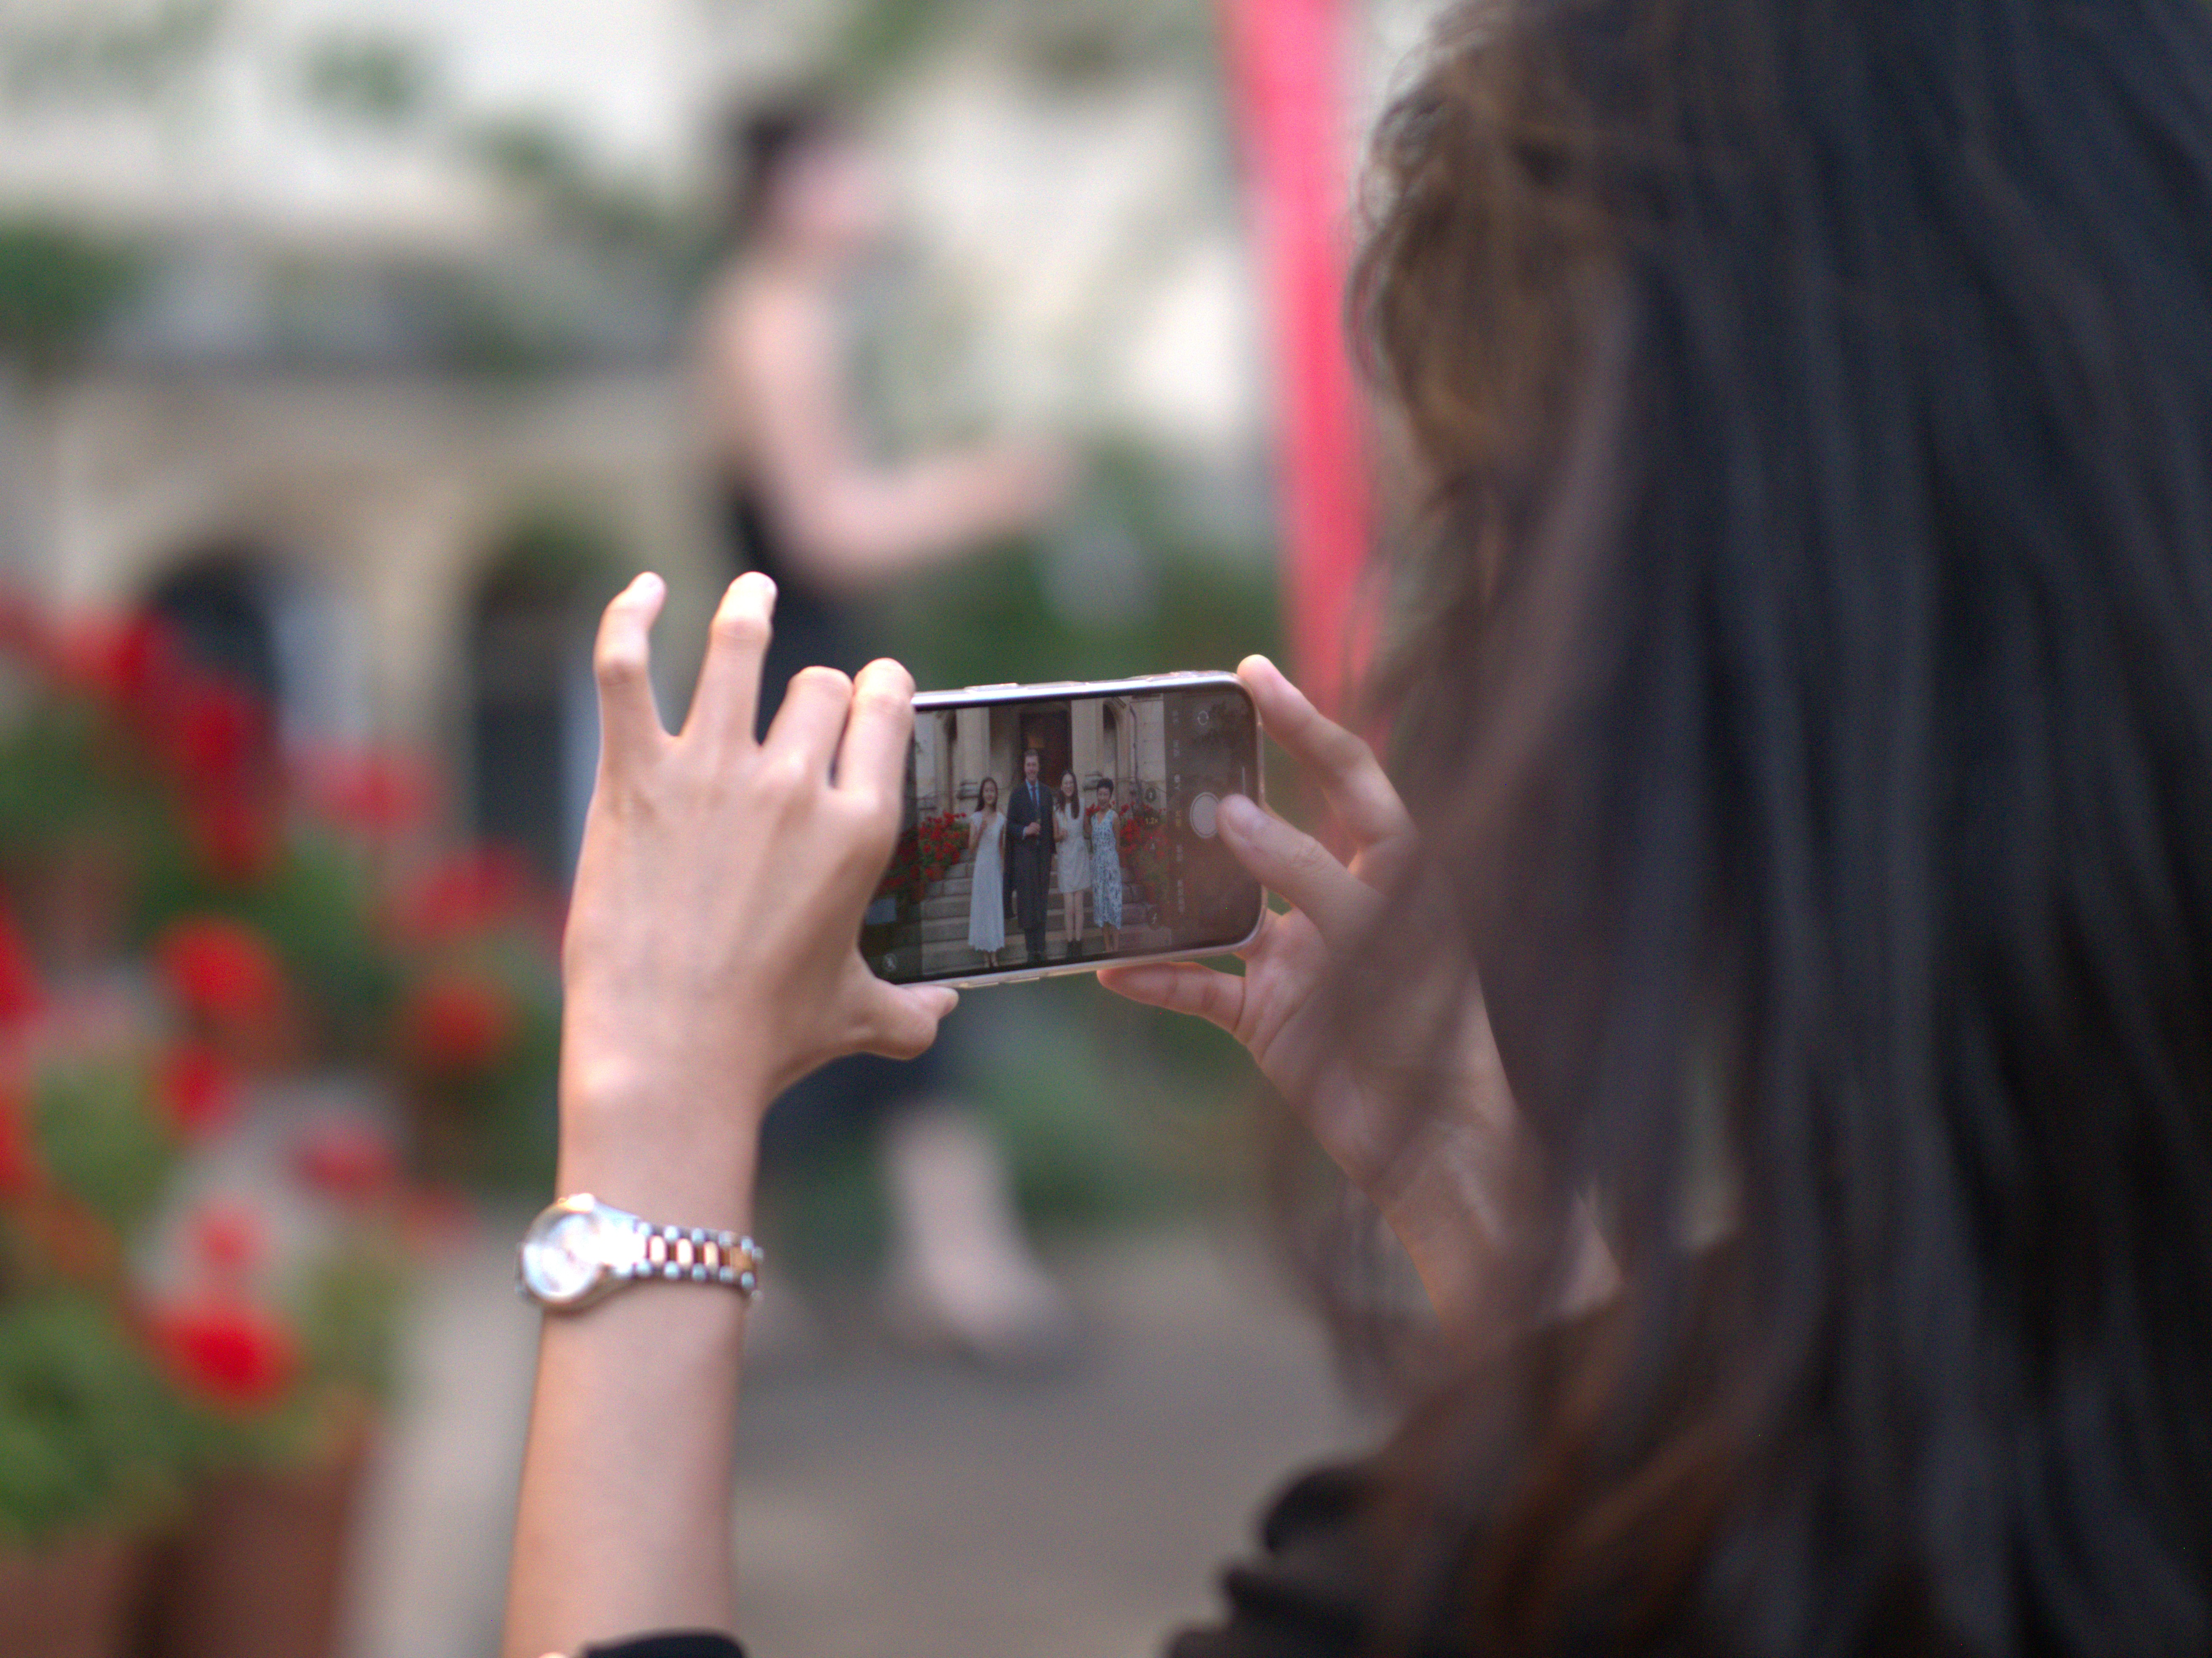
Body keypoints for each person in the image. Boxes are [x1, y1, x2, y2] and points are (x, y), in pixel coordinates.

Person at [507, 3, 2212, 1656]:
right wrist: (1493, 1214)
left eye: (1480, 529)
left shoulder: (1479, 1570)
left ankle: (947, 1268)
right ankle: (960, 1269)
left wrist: (648, 1119)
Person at [693, 94, 1071, 1362]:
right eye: (847, 162)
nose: (870, 186)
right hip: (812, 681)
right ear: (789, 184)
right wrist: (988, 489)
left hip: (832, 680)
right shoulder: (775, 319)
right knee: (872, 956)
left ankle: (944, 1259)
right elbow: (825, 531)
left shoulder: (784, 315)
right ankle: (905, 1262)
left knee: (896, 956)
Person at [1002, 749, 1053, 964]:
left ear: (1039, 768)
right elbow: (1010, 826)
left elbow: (1051, 823)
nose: (1032, 769)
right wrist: (1026, 830)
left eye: (1035, 765)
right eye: (1028, 765)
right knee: (1027, 903)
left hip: (1042, 857)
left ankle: (1041, 948)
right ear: (1024, 768)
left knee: (1041, 902)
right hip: (1024, 857)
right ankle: (1031, 951)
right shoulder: (1017, 794)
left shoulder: (1047, 792)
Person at [965, 777, 1005, 968]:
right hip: (982, 867)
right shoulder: (976, 818)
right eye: (987, 790)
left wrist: (1004, 867)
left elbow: (1001, 845)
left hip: (995, 867)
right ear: (983, 794)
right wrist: (979, 832)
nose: (990, 794)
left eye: (993, 791)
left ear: (996, 794)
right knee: (983, 909)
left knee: (994, 908)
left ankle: (995, 952)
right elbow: (971, 848)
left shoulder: (1001, 817)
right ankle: (985, 955)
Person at [1052, 770, 1089, 959]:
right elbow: (1055, 836)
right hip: (1066, 856)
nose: (1068, 786)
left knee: (1079, 905)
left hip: (1080, 856)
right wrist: (1061, 836)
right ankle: (1069, 943)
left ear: (1074, 786)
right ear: (1061, 786)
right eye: (1065, 783)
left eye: (1071, 783)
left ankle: (1079, 943)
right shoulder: (1057, 808)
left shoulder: (1081, 804)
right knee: (1069, 907)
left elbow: (1087, 830)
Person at [1086, 779, 1122, 954]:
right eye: (1100, 794)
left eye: (1105, 795)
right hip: (1098, 868)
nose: (1102, 798)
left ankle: (1117, 947)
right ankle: (1107, 947)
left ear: (1110, 797)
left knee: (1114, 905)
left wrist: (1114, 866)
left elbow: (1118, 844)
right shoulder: (1093, 819)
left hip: (1111, 867)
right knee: (1101, 906)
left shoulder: (1115, 818)